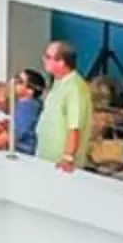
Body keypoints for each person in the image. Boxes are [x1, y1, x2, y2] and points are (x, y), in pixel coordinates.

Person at [37, 41, 94, 172]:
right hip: (46, 155)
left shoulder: (75, 89)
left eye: (47, 56)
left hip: (59, 164)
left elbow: (74, 127)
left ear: (61, 62)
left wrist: (68, 157)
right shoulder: (59, 81)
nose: (43, 60)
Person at [9, 69, 47, 158]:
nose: (14, 82)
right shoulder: (25, 103)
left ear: (30, 91)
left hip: (23, 154)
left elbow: (15, 135)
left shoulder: (28, 106)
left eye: (20, 81)